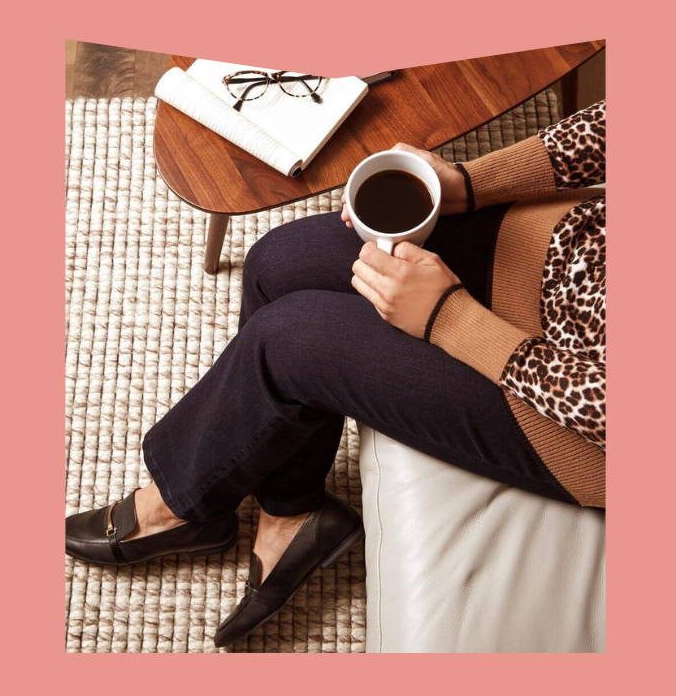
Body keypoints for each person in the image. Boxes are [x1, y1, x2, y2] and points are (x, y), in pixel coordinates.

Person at [66, 100, 606, 647]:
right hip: (569, 250)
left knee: (290, 341)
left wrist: (450, 318)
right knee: (277, 262)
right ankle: (290, 510)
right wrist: (464, 183)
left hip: (567, 413)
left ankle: (178, 506)